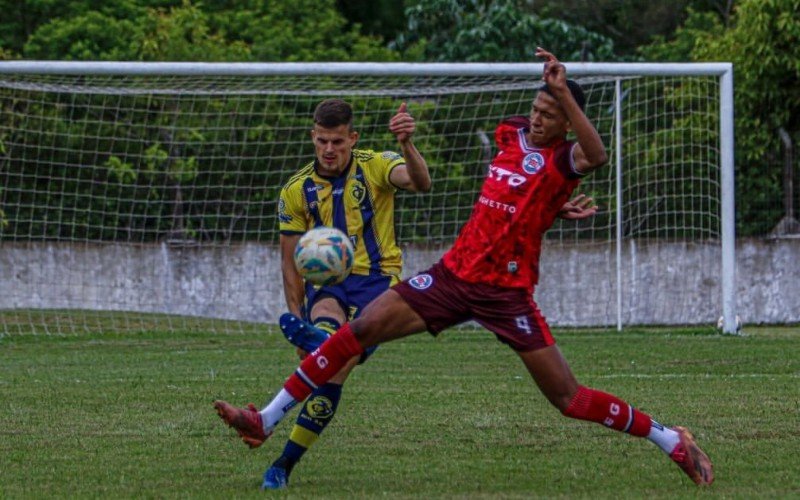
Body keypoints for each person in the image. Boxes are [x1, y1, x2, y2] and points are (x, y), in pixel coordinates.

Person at [214, 48, 713, 487]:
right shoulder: (514, 134)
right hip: (452, 276)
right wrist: (547, 208)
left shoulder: (567, 158)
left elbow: (597, 155)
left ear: (567, 119)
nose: (537, 118)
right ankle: (265, 419)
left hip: (505, 294)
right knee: (358, 331)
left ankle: (669, 439)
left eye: (549, 112)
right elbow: (510, 191)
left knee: (568, 397)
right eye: (537, 107)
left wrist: (565, 101)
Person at [253, 98, 432, 489]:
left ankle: (284, 459)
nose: (329, 150)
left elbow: (420, 182)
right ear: (312, 137)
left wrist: (406, 145)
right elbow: (289, 263)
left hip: (379, 284)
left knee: (337, 364)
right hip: (329, 284)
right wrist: (296, 317)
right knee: (333, 350)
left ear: (352, 138)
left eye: (337, 141)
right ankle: (319, 341)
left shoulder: (377, 164)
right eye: (322, 141)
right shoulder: (296, 190)